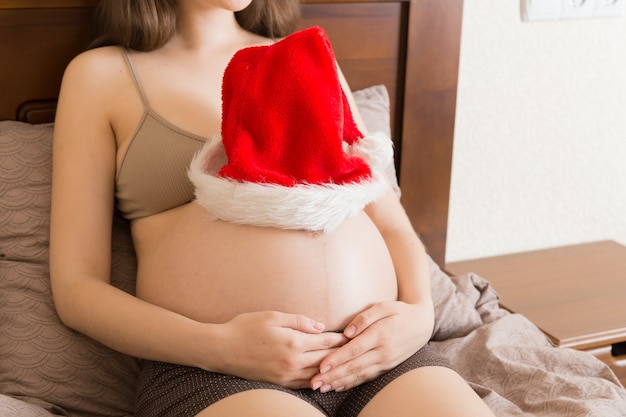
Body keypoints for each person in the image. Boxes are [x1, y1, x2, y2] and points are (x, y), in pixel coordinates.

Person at [49, 0, 497, 416]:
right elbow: (77, 289)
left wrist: (419, 315)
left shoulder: (305, 56)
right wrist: (219, 346)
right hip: (220, 372)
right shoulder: (100, 76)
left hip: (375, 354)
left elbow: (390, 221)